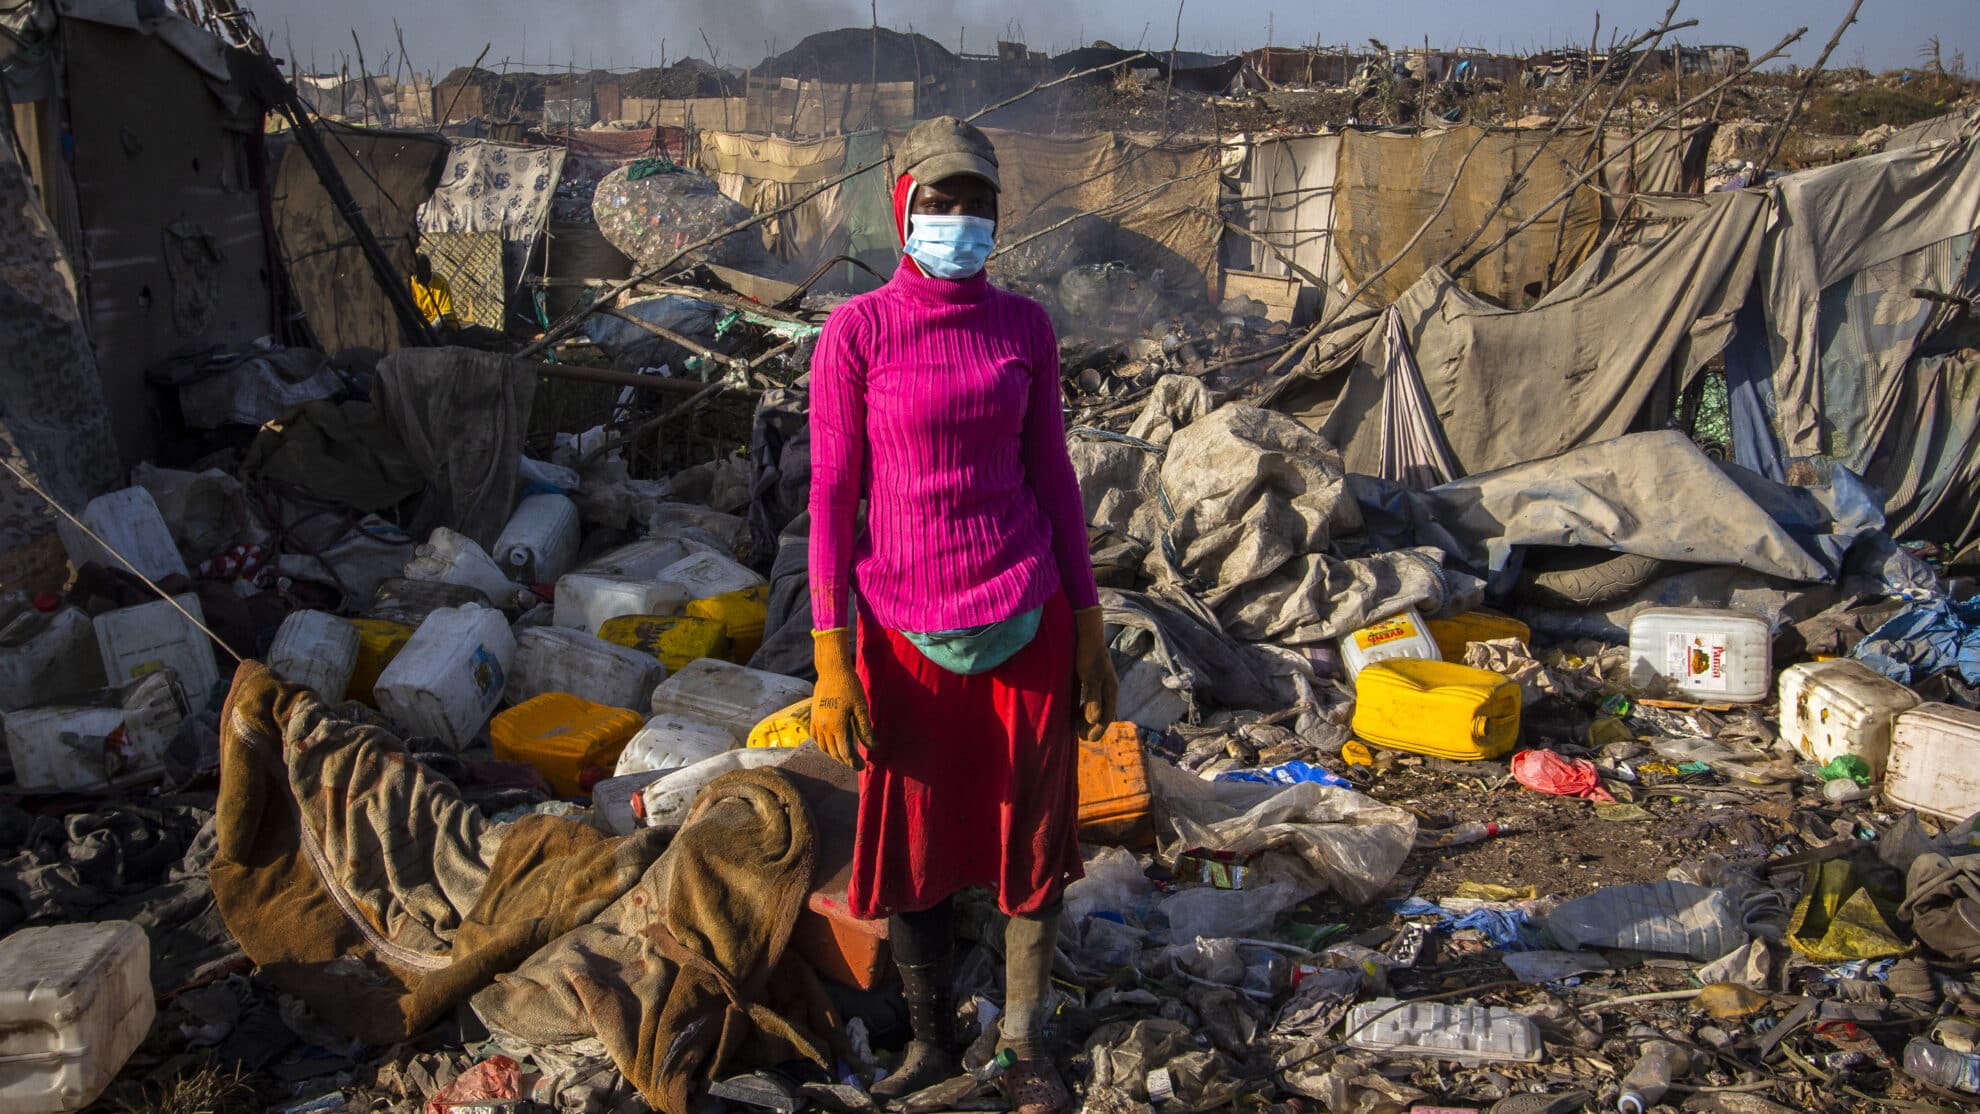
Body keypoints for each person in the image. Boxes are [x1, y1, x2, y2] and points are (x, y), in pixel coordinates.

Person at [808, 116, 1117, 1114]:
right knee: (916, 842)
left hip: (1028, 618)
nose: (959, 219)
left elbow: (1054, 481)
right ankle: (934, 1040)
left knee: (1033, 837)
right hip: (902, 629)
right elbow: (832, 496)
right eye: (939, 202)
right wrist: (830, 655)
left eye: (977, 202)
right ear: (903, 208)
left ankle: (1024, 1040)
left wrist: (1092, 622)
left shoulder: (1024, 327)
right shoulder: (857, 333)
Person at [409, 252, 458, 330]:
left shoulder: (440, 283)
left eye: (419, 274)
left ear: (428, 270)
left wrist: (430, 331)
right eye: (414, 274)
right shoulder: (411, 283)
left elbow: (444, 315)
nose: (416, 279)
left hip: (443, 325)